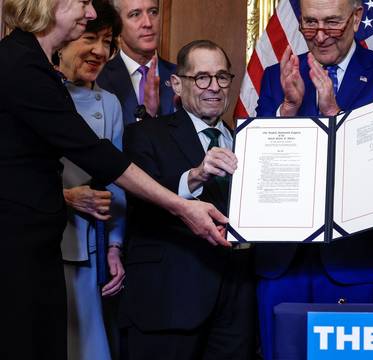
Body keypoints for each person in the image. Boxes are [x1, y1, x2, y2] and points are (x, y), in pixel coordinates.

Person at [0, 1, 228, 359]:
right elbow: (97, 155)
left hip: (36, 246)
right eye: (83, 3)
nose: (90, 12)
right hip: (15, 253)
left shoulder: (33, 63)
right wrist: (182, 206)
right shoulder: (19, 65)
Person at [254, 0, 373, 358]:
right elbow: (263, 168)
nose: (320, 35)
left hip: (361, 262)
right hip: (286, 264)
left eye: (332, 23)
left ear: (357, 18)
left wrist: (333, 113)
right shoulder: (275, 76)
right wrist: (288, 110)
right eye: (309, 24)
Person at [120, 40, 255, 360]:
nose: (214, 87)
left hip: (235, 304)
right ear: (177, 84)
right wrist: (194, 176)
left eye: (222, 77)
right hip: (168, 301)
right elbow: (139, 203)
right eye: (202, 77)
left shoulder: (247, 139)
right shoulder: (145, 134)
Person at [54, 2, 125, 359]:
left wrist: (114, 245)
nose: (100, 51)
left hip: (87, 250)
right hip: (40, 240)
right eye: (90, 38)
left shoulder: (109, 103)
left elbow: (117, 182)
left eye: (107, 42)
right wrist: (66, 196)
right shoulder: (33, 90)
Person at [97, 0, 175, 124]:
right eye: (135, 14)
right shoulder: (98, 79)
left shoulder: (180, 76)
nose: (148, 23)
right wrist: (147, 114)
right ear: (117, 25)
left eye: (153, 12)